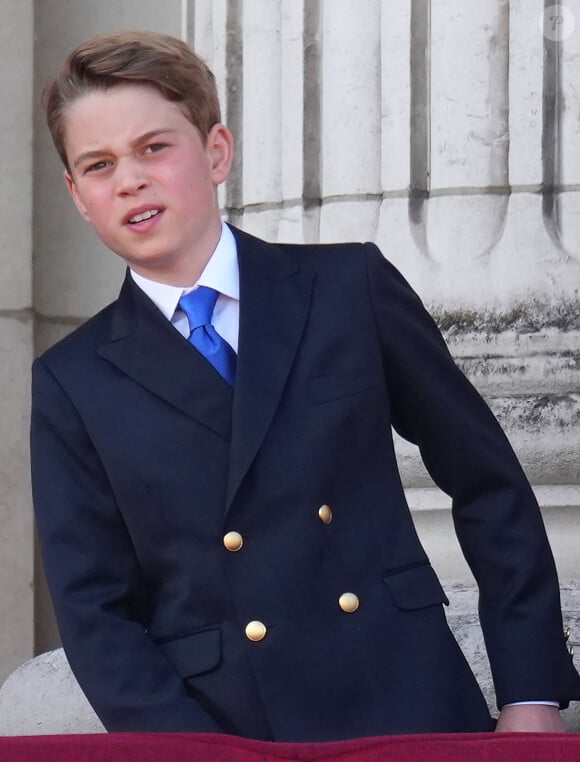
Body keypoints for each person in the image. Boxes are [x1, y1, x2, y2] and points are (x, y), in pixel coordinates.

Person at [31, 31, 580, 741]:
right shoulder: (74, 379)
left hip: (407, 702)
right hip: (231, 731)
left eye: (154, 147)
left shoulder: (349, 287)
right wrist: (189, 755)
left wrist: (530, 688)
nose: (129, 179)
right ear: (77, 196)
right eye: (98, 165)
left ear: (216, 150)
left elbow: (489, 483)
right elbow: (94, 608)